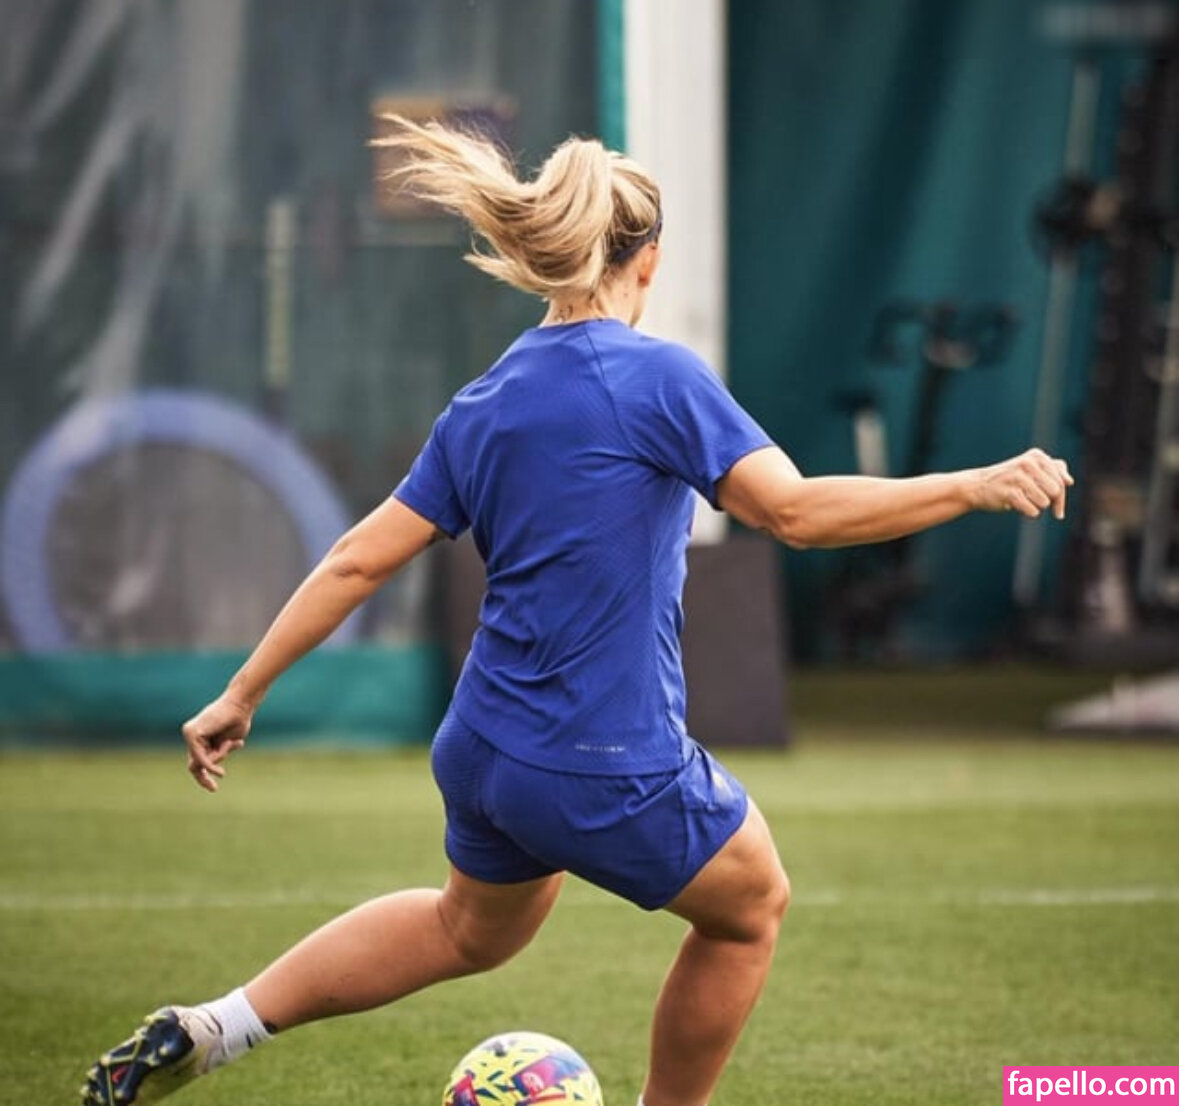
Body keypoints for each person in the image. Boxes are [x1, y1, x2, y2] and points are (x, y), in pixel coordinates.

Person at [80, 117, 1072, 1106]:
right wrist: (970, 484)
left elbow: (353, 561)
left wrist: (241, 692)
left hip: (484, 747)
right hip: (603, 757)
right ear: (649, 260)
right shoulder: (659, 377)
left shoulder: (484, 400)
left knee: (466, 929)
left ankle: (217, 1025)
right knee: (750, 906)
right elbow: (795, 513)